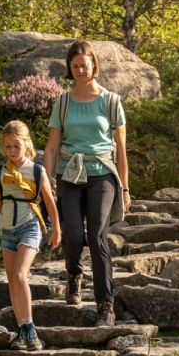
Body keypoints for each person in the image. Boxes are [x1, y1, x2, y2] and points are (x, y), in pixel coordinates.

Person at [43, 40, 129, 327]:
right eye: (74, 66)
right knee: (73, 235)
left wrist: (125, 188)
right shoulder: (63, 101)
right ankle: (74, 274)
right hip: (69, 173)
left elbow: (121, 150)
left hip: (102, 173)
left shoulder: (111, 101)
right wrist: (48, 180)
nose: (80, 70)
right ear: (70, 69)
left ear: (94, 65)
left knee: (97, 236)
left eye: (84, 65)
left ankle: (106, 305)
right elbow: (53, 146)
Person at [0, 120, 61, 350]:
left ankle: (31, 329)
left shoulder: (36, 170)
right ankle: (22, 329)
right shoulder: (0, 172)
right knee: (12, 281)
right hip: (8, 231)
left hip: (30, 227)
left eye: (16, 146)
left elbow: (49, 201)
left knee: (20, 275)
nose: (12, 151)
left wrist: (57, 228)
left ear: (26, 144)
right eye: (7, 146)